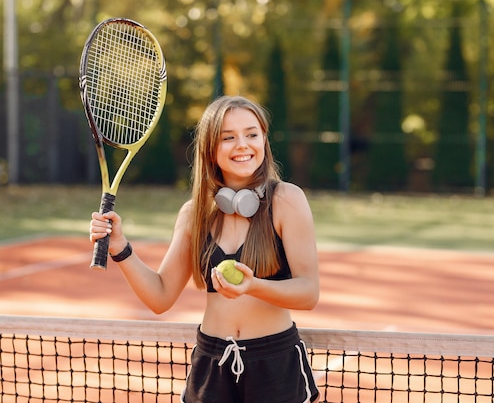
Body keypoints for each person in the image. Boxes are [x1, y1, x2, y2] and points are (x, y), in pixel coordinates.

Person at [89, 95, 320, 403]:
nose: (242, 145)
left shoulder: (287, 201)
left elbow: (309, 293)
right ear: (211, 149)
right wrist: (120, 248)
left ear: (264, 139)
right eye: (228, 137)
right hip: (212, 364)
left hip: (274, 363)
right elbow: (160, 297)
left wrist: (253, 286)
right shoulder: (194, 214)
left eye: (252, 134)